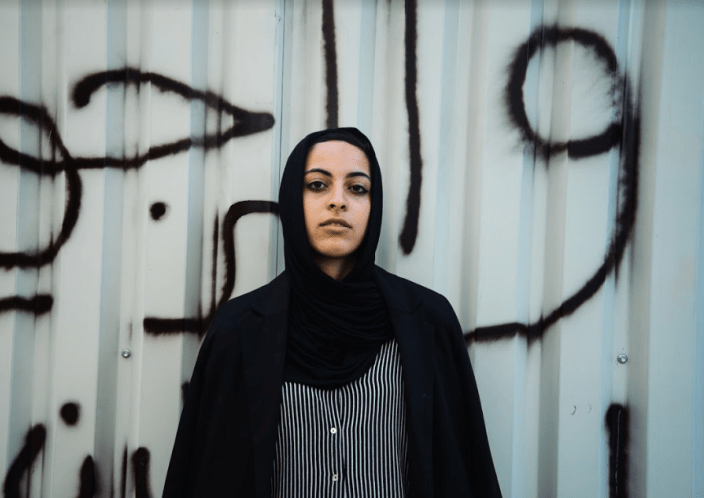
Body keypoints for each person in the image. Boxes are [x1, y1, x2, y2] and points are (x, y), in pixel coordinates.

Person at [162, 128, 502, 498]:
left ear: (374, 205)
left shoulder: (426, 321)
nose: (338, 201)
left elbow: (461, 466)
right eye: (317, 185)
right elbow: (209, 472)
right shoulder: (240, 329)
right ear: (292, 200)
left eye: (357, 188)